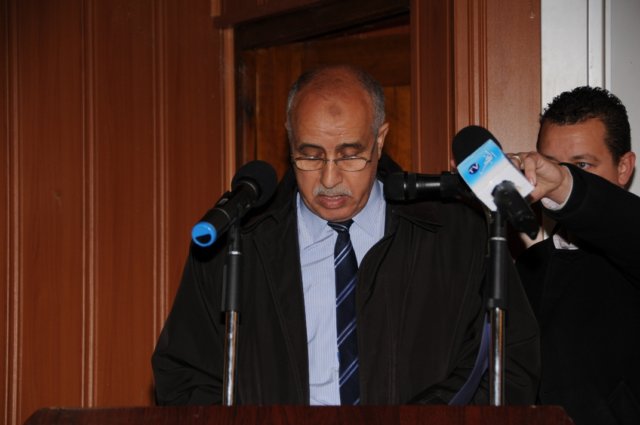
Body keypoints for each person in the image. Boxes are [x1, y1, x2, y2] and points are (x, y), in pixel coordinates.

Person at [152, 65, 539, 405]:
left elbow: (509, 363)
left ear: (380, 139)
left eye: (350, 154)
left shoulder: (456, 235)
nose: (329, 178)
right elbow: (183, 375)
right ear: (289, 140)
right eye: (310, 155)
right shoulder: (238, 244)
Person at [511, 86, 640, 425]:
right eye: (552, 165)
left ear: (624, 167)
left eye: (582, 165)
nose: (556, 178)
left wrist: (567, 186)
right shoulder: (528, 265)